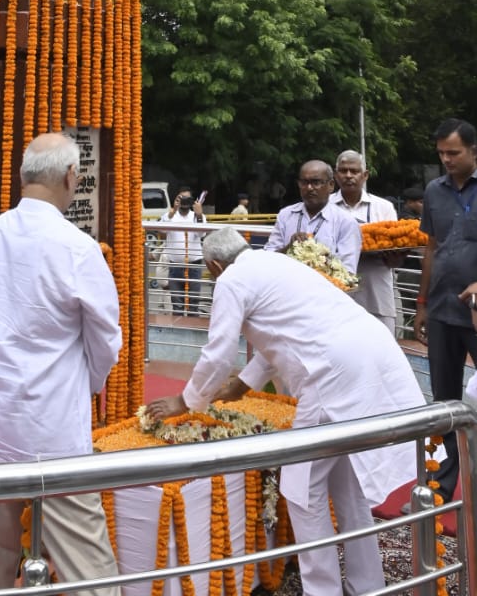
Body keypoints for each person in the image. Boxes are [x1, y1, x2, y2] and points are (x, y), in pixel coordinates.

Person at [147, 228, 424, 596]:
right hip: (368, 352)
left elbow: (218, 352)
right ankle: (366, 585)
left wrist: (186, 402)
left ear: (214, 265)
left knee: (301, 488)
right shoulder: (273, 262)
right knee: (346, 485)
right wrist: (242, 386)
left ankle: (321, 591)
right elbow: (277, 335)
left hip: (331, 373)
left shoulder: (231, 279)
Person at [0, 132, 121, 595]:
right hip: (53, 429)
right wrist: (84, 382)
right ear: (72, 177)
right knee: (88, 564)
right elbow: (106, 339)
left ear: (24, 174)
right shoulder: (76, 247)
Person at [414, 117, 477, 502]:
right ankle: (445, 482)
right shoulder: (434, 191)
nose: (446, 160)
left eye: (453, 153)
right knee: (445, 400)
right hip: (441, 310)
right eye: (441, 154)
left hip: (475, 311)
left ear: (474, 151)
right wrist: (421, 304)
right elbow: (430, 249)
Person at [330, 150, 398, 335]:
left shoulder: (383, 207)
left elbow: (395, 256)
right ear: (336, 175)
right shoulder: (325, 207)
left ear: (365, 175)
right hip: (335, 295)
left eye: (354, 171)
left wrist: (395, 257)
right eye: (343, 171)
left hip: (376, 293)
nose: (348, 175)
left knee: (383, 350)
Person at [264, 160, 361, 273]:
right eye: (304, 182)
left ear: (331, 185)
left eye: (316, 182)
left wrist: (317, 256)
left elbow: (347, 272)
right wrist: (289, 248)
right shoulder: (285, 215)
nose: (309, 188)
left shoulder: (345, 222)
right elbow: (267, 259)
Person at [160, 188, 205, 314]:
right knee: (177, 303)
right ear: (176, 200)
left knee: (194, 303)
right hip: (175, 265)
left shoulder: (197, 215)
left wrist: (199, 215)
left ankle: (192, 330)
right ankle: (178, 331)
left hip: (194, 264)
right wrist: (172, 211)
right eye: (181, 198)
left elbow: (201, 234)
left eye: (187, 199)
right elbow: (162, 231)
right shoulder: (170, 216)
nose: (184, 201)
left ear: (192, 201)